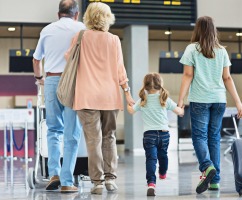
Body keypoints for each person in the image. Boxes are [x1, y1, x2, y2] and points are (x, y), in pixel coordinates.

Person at [65, 2, 134, 195]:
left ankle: (97, 183)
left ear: (88, 16)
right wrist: (127, 93)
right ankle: (111, 179)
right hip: (109, 97)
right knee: (109, 137)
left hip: (86, 96)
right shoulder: (113, 40)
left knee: (93, 140)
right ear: (107, 17)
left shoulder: (80, 37)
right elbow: (121, 70)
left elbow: (68, 58)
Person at [177, 16, 242, 194]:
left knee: (199, 137)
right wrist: (238, 102)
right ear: (214, 30)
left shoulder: (192, 49)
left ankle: (207, 167)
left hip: (200, 99)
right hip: (219, 100)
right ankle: (215, 181)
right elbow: (227, 78)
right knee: (214, 138)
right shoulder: (221, 50)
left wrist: (180, 100)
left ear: (197, 30)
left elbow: (187, 75)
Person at [32, 0, 85, 192]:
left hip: (52, 81)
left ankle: (53, 173)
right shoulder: (82, 29)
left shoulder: (47, 30)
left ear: (58, 14)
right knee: (72, 134)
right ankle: (67, 181)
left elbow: (36, 59)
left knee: (54, 129)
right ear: (76, 14)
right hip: (73, 82)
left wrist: (39, 78)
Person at [127, 73, 184, 196]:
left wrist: (128, 105)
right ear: (160, 85)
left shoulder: (143, 100)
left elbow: (131, 111)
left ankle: (151, 184)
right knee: (163, 156)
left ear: (146, 86)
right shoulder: (164, 99)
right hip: (164, 134)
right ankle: (163, 173)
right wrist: (182, 109)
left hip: (149, 135)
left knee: (151, 159)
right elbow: (178, 111)